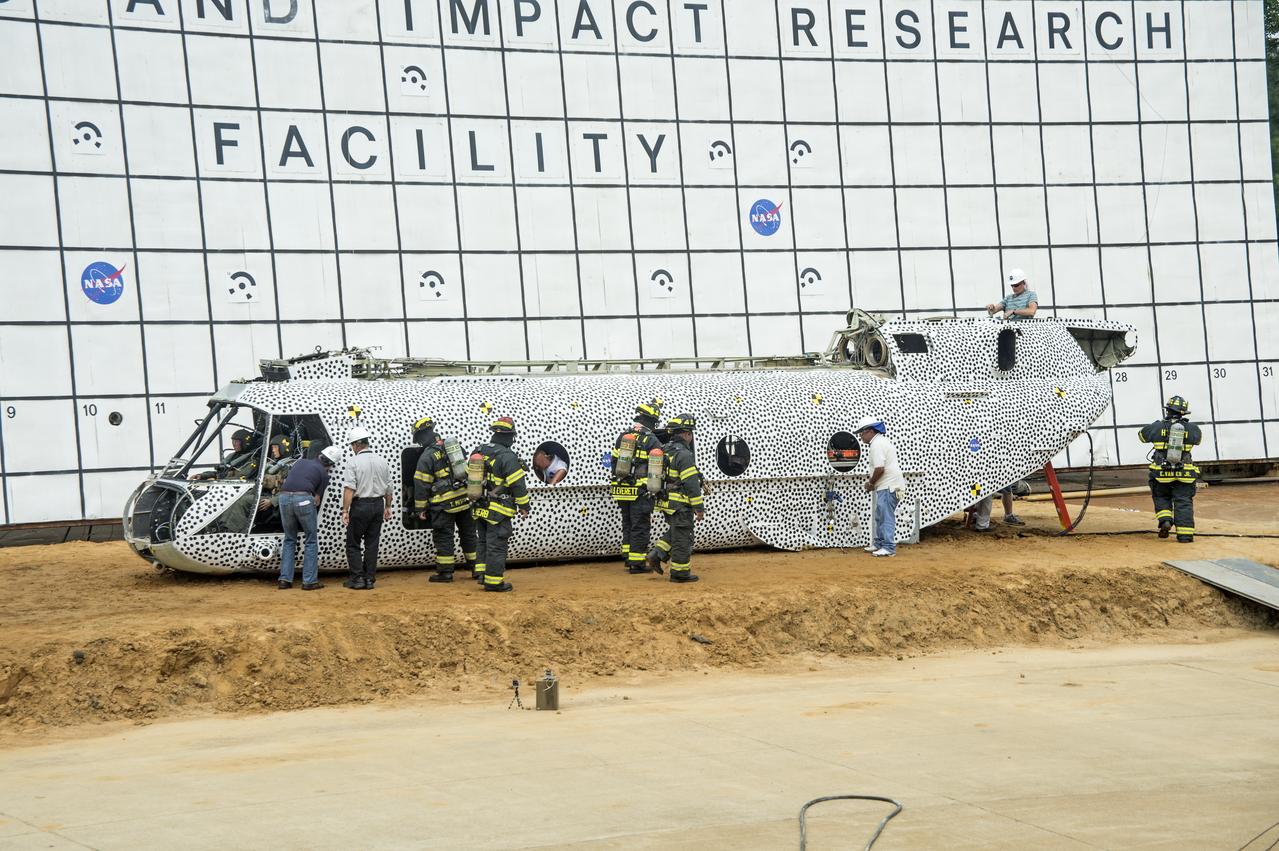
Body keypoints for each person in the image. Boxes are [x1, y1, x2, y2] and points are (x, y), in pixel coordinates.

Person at [411, 416, 478, 583]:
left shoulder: (427, 456)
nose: (419, 443)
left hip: (444, 504)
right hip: (464, 499)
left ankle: (445, 572)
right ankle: (478, 569)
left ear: (422, 436)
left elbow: (421, 483)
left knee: (444, 536)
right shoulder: (455, 448)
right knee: (469, 535)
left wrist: (420, 508)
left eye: (418, 439)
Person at [470, 417, 530, 592]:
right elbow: (518, 484)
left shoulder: (479, 450)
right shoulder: (507, 456)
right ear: (510, 436)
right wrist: (524, 506)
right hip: (498, 509)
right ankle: (494, 581)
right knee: (496, 545)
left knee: (483, 542)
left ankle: (481, 574)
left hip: (480, 507)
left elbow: (469, 474)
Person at [646, 414, 704, 583]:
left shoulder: (665, 449)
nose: (691, 436)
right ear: (686, 434)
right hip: (680, 503)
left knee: (677, 531)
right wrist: (699, 508)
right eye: (691, 433)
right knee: (683, 537)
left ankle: (657, 554)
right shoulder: (684, 455)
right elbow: (691, 483)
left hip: (666, 502)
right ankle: (680, 573)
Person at [277, 445, 342, 591]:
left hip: (283, 498)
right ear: (330, 464)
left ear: (319, 455)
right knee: (311, 540)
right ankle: (309, 581)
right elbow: (316, 500)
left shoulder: (300, 462)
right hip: (303, 499)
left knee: (289, 539)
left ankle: (285, 580)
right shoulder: (324, 475)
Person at [1138, 395, 1202, 543]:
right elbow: (1198, 440)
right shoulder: (1193, 429)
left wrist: (1157, 428)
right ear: (1183, 413)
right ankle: (1185, 535)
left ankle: (1165, 520)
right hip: (1185, 472)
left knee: (1161, 496)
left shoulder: (1157, 426)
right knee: (1184, 501)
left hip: (1161, 473)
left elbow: (1141, 436)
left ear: (1167, 411)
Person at [611, 399, 664, 574]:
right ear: (651, 422)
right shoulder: (651, 440)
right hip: (640, 490)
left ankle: (628, 558)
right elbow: (658, 467)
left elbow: (613, 463)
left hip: (622, 488)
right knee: (640, 525)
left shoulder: (623, 437)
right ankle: (637, 563)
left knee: (627, 523)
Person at [340, 425, 392, 589]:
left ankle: (357, 579)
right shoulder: (382, 461)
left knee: (353, 543)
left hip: (360, 505)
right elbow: (388, 488)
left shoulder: (353, 462)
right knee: (372, 543)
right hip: (378, 504)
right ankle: (369, 578)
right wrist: (388, 506)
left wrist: (345, 510)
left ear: (355, 445)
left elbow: (349, 489)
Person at [855, 415, 906, 557]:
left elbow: (879, 469)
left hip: (888, 486)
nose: (860, 437)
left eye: (862, 433)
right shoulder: (880, 442)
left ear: (870, 431)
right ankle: (879, 543)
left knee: (885, 517)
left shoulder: (877, 445)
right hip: (888, 485)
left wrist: (870, 483)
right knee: (880, 516)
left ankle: (888, 547)